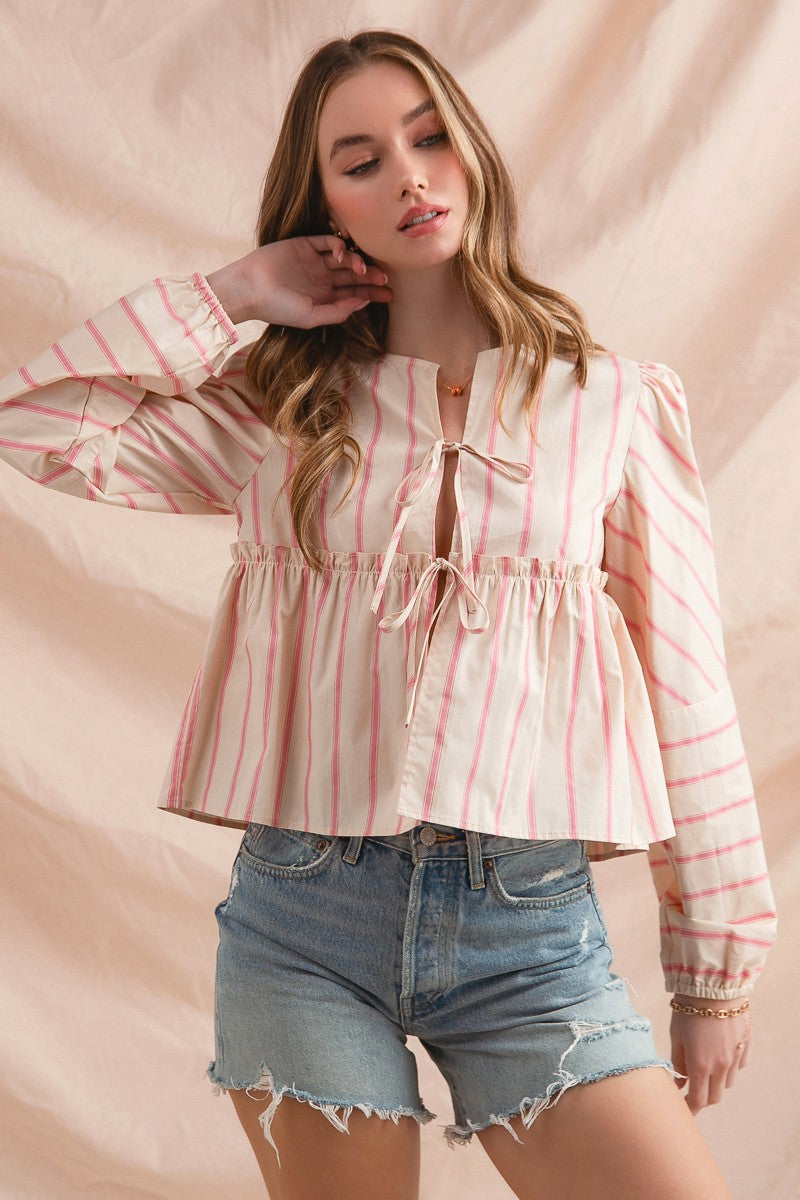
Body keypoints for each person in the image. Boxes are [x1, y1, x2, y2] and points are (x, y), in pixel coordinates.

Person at [0, 28, 777, 1200]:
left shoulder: (610, 404)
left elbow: (686, 682)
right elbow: (38, 425)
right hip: (302, 921)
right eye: (360, 161)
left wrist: (711, 971)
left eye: (428, 139)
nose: (409, 176)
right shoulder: (282, 407)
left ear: (472, 153)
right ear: (326, 209)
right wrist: (233, 294)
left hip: (528, 929)